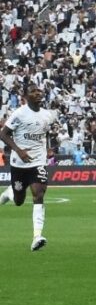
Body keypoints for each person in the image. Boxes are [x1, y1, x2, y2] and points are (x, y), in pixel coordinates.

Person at [0, 83, 59, 251]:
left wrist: (47, 147)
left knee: (38, 194)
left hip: (38, 162)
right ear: (26, 96)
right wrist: (18, 150)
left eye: (39, 91)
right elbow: (3, 134)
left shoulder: (47, 115)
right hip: (19, 163)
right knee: (19, 201)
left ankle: (37, 236)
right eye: (34, 91)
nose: (38, 93)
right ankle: (10, 192)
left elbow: (45, 132)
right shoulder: (19, 114)